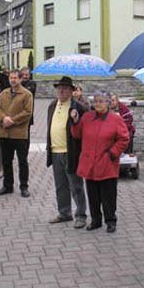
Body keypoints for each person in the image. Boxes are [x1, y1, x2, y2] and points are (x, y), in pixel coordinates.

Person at [70, 90, 129, 233]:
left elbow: (124, 139)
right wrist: (75, 120)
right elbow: (76, 134)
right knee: (93, 195)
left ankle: (110, 221)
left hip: (107, 163)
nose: (98, 104)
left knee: (108, 195)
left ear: (108, 103)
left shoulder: (116, 119)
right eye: (95, 101)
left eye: (101, 101)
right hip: (90, 164)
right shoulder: (87, 117)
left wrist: (112, 154)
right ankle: (96, 220)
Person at [46, 76, 87, 229]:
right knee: (60, 186)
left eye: (65, 88)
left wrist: (76, 118)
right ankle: (64, 213)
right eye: (59, 88)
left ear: (71, 91)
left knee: (76, 186)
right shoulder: (52, 105)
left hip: (71, 153)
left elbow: (83, 129)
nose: (61, 90)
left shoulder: (78, 107)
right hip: (55, 151)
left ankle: (81, 215)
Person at [0, 70, 33, 197]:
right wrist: (3, 118)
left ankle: (24, 187)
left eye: (15, 78)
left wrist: (12, 121)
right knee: (6, 161)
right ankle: (7, 186)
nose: (13, 80)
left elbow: (27, 112)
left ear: (21, 79)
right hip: (5, 133)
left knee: (22, 161)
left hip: (20, 134)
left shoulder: (27, 94)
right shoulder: (4, 93)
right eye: (11, 78)